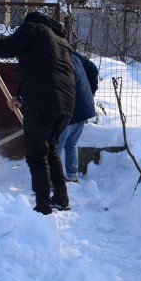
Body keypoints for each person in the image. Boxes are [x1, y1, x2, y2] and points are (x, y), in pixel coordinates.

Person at [0, 11, 75, 215]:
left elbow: (5, 47)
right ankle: (61, 198)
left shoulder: (33, 29)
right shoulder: (61, 41)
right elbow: (44, 72)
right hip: (66, 104)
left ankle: (43, 205)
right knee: (50, 149)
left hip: (44, 101)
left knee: (37, 154)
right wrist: (21, 97)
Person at [57, 50, 99, 182]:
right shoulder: (73, 54)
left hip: (67, 107)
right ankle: (72, 175)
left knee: (56, 146)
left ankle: (53, 179)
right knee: (71, 143)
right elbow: (93, 69)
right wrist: (91, 91)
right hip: (83, 106)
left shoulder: (52, 55)